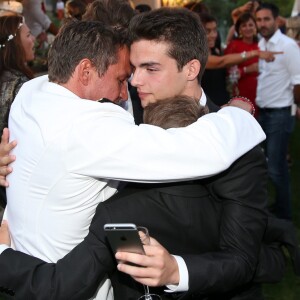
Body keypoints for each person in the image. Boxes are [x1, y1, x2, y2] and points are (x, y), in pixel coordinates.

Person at [0, 8, 293, 300]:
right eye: (133, 69)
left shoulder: (239, 147)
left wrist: (177, 271)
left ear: (190, 69)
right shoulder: (115, 116)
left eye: (150, 68)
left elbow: (243, 258)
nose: (134, 82)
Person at [255, 2, 300, 220]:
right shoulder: (261, 43)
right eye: (259, 20)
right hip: (263, 113)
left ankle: (285, 217)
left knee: (276, 168)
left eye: (266, 19)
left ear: (276, 20)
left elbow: (298, 82)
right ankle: (277, 208)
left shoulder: (288, 45)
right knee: (267, 166)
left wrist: (295, 108)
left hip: (280, 114)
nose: (262, 24)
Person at [0, 14, 35, 209]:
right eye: (28, 35)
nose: (34, 40)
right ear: (15, 44)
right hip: (11, 176)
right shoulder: (21, 85)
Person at [224, 13, 259, 117]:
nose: (248, 28)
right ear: (239, 29)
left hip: (261, 95)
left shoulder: (261, 45)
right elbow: (228, 75)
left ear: (255, 27)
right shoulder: (234, 46)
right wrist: (246, 69)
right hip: (242, 94)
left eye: (250, 25)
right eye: (244, 25)